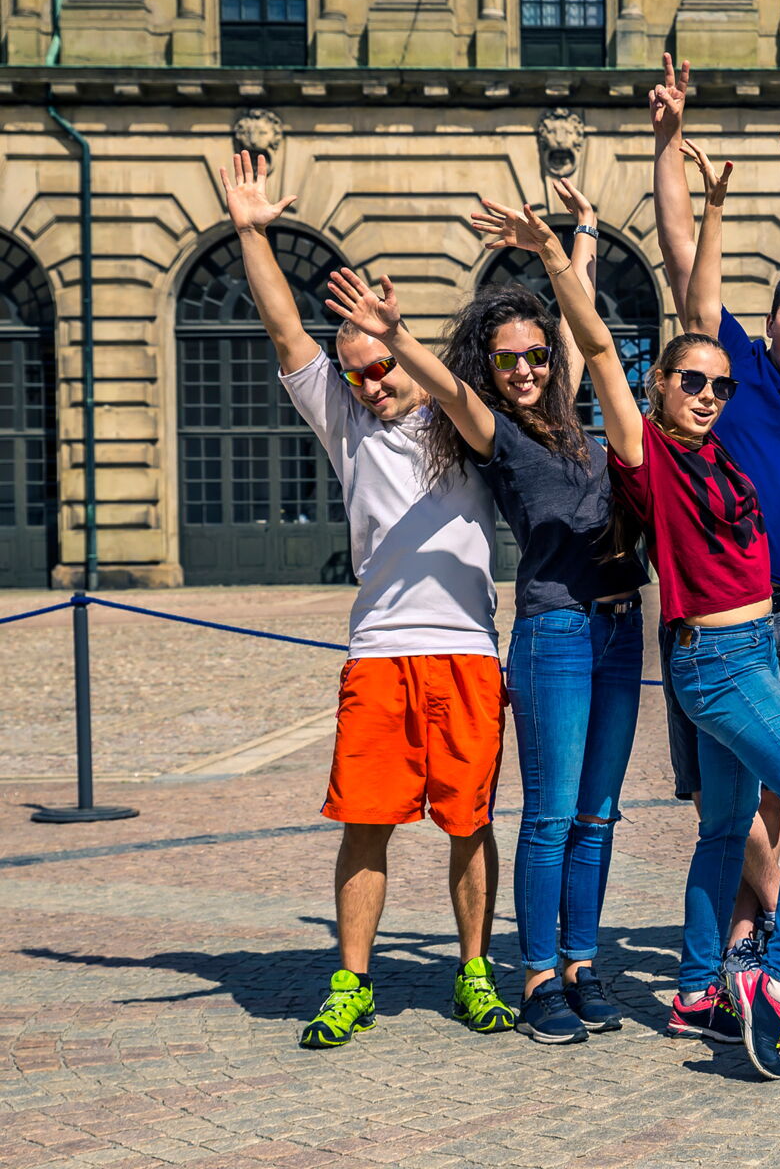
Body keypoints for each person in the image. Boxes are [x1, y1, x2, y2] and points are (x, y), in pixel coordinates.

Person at [486, 159, 780, 1081]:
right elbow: (607, 353)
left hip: (753, 654)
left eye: (719, 386)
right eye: (690, 381)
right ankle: (773, 980)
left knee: (726, 832)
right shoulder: (646, 454)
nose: (705, 394)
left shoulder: (722, 450)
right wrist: (555, 259)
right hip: (721, 664)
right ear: (662, 387)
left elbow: (725, 305)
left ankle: (696, 988)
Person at [325, 179, 648, 1046]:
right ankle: (538, 974)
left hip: (621, 628)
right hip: (553, 632)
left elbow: (584, 330)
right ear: (490, 369)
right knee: (548, 815)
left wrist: (571, 239)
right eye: (510, 360)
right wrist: (395, 338)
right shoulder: (491, 432)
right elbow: (442, 380)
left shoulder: (573, 413)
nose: (530, 370)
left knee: (598, 812)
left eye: (537, 356)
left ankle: (581, 962)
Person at [220, 150, 515, 1049]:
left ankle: (474, 971)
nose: (370, 383)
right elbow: (283, 336)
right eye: (354, 372)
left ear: (405, 354)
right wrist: (251, 234)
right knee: (365, 824)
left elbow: (489, 391)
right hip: (380, 651)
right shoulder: (346, 421)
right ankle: (352, 981)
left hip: (467, 650)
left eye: (381, 366)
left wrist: (406, 339)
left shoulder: (458, 414)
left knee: (470, 824)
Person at [650, 54, 780, 962]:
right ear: (770, 322)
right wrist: (670, 145)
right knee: (720, 799)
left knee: (778, 786)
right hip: (714, 619)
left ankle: (740, 930)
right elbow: (686, 271)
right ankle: (761, 916)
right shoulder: (730, 377)